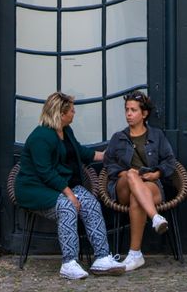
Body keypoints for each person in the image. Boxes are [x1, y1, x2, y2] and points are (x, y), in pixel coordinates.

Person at [15, 91, 125, 280]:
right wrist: (69, 194)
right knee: (67, 208)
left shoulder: (65, 131)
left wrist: (106, 155)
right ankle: (69, 263)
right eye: (72, 110)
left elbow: (80, 152)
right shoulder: (41, 136)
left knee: (90, 203)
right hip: (35, 189)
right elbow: (45, 172)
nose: (74, 113)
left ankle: (102, 258)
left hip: (58, 186)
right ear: (61, 113)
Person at [103, 90, 178, 272]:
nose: (129, 114)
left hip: (150, 184)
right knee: (131, 175)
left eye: (133, 110)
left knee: (138, 196)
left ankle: (135, 254)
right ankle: (155, 217)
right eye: (127, 110)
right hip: (123, 187)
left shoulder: (157, 135)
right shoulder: (118, 138)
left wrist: (157, 174)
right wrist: (127, 174)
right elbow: (109, 164)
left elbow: (170, 161)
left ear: (144, 114)